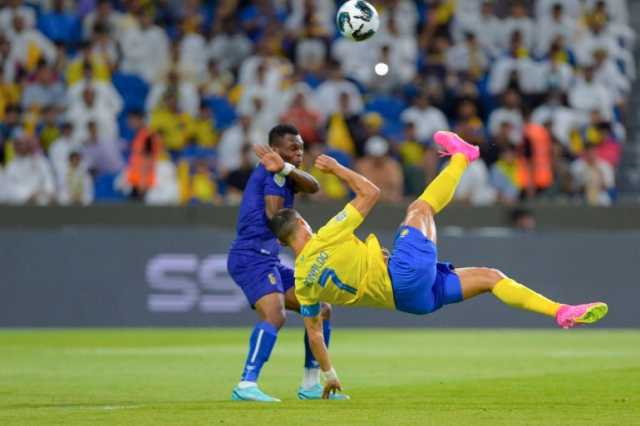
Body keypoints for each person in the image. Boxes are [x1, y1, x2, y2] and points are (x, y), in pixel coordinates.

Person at [268, 131, 608, 398]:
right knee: (419, 209)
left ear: (284, 242)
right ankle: (463, 156)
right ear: (302, 225)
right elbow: (371, 193)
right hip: (403, 276)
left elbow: (315, 333)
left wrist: (330, 375)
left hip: (412, 303)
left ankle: (561, 311)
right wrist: (338, 169)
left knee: (491, 277)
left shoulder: (303, 283)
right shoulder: (324, 236)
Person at [227, 124, 347, 402]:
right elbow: (274, 215)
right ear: (275, 150)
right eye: (292, 149)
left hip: (265, 258)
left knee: (321, 309)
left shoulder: (282, 173)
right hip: (251, 256)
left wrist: (286, 168)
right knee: (275, 315)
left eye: (301, 148)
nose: (299, 153)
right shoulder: (273, 176)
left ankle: (310, 385)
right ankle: (246, 384)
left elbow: (314, 186)